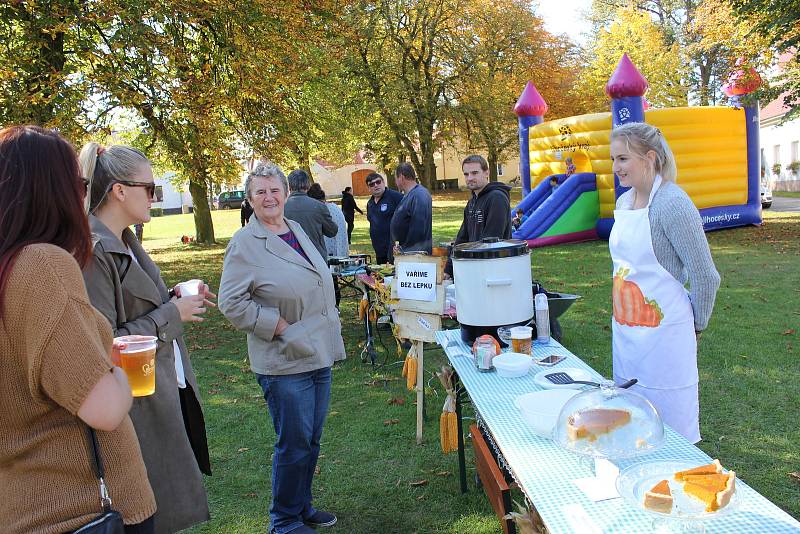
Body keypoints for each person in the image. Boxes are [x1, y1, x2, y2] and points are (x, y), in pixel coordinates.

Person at [0, 125, 157, 533]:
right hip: (80, 509)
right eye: (81, 182)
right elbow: (104, 407)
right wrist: (118, 370)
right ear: (53, 188)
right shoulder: (42, 266)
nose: (84, 194)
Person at [79, 141, 212, 533]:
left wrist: (173, 298)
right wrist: (172, 313)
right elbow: (103, 341)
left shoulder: (126, 240)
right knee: (144, 513)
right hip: (132, 407)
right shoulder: (92, 249)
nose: (157, 197)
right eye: (150, 188)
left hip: (157, 391)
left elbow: (139, 308)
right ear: (119, 190)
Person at [218, 162, 345, 534]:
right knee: (293, 442)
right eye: (260, 192)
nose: (269, 197)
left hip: (316, 351)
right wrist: (281, 327)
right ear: (250, 199)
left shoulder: (297, 228)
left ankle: (301, 506)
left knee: (311, 438)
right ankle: (284, 519)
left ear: (287, 194)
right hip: (283, 359)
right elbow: (231, 303)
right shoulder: (245, 243)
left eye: (275, 190)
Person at [609, 122, 720, 443]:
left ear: (650, 158)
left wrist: (696, 326)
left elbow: (705, 275)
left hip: (666, 338)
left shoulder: (672, 204)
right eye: (614, 159)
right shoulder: (623, 204)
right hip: (627, 335)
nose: (616, 168)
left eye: (623, 159)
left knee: (669, 432)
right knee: (632, 425)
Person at [444, 155, 512, 278]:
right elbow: (462, 239)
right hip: (475, 268)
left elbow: (491, 241)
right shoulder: (471, 203)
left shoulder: (496, 198)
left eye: (474, 173)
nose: (470, 178)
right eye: (466, 174)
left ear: (486, 173)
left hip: (493, 271)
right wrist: (448, 270)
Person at [284, 169, 338, 260]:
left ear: (289, 186)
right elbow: (332, 231)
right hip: (315, 259)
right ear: (308, 185)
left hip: (290, 259)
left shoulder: (280, 208)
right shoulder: (319, 206)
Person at [308, 183, 347, 308]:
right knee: (332, 284)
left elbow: (333, 231)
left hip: (326, 253)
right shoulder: (334, 208)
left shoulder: (319, 210)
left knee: (328, 285)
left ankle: (332, 308)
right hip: (335, 252)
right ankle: (334, 308)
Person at [390, 163, 433, 254]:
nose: (395, 182)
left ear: (401, 177)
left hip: (415, 256)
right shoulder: (410, 194)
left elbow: (419, 228)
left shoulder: (419, 194)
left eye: (395, 179)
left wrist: (405, 250)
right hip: (408, 254)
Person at [365, 172, 403, 264]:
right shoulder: (370, 203)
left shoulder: (396, 197)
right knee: (382, 275)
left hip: (395, 248)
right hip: (379, 249)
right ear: (369, 188)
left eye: (378, 182)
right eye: (372, 184)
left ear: (383, 182)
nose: (376, 185)